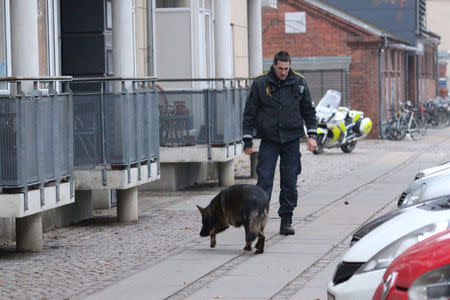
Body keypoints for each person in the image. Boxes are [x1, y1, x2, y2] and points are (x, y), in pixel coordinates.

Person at [242, 51, 318, 235]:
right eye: (280, 68)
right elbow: (250, 112)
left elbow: (309, 110)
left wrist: (312, 135)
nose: (284, 72)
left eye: (286, 68)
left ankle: (286, 219)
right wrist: (247, 139)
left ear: (289, 66)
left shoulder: (299, 82)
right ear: (274, 66)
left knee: (290, 180)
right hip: (270, 139)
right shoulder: (261, 83)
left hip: (291, 138)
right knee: (264, 180)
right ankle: (259, 219)